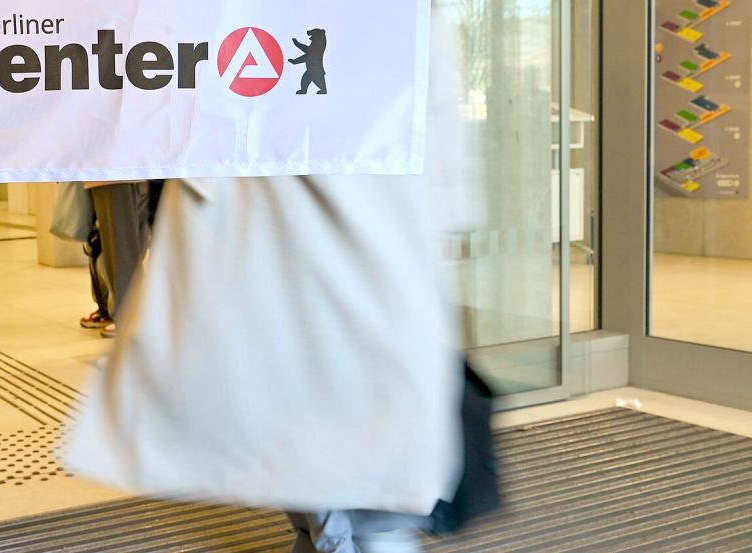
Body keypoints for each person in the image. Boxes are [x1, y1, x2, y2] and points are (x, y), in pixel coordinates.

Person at [64, 8, 483, 553]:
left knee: (345, 478)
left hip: (339, 254)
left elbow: (203, 132)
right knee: (337, 471)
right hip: (342, 255)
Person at [83, 180, 151, 338]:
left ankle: (126, 315)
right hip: (142, 174)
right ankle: (113, 308)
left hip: (113, 175)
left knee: (118, 244)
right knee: (129, 243)